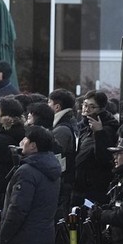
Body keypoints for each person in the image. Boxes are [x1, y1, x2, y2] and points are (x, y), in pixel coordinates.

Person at [72, 90, 119, 208]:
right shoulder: (85, 126)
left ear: (101, 109)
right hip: (80, 186)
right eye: (85, 105)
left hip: (95, 188)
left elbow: (104, 158)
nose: (86, 109)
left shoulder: (107, 128)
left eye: (92, 107)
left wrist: (99, 133)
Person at [48, 88, 78, 220]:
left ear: (57, 107)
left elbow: (56, 158)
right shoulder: (70, 123)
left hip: (62, 184)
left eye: (49, 103)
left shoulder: (61, 130)